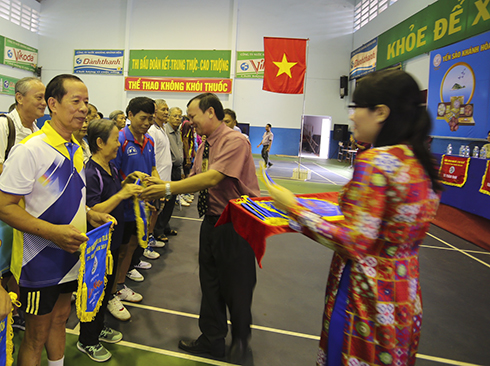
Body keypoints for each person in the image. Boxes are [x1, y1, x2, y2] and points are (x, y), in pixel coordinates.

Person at [267, 69, 442, 366]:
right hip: (403, 294)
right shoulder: (420, 163)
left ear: (381, 112)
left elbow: (353, 241)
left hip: (363, 296)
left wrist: (293, 207)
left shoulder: (376, 162)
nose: (351, 117)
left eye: (356, 108)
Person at [0, 74, 113, 366]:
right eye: (75, 101)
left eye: (86, 102)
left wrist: (90, 214)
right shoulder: (29, 150)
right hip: (37, 261)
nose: (83, 109)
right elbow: (4, 207)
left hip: (72, 254)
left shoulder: (76, 149)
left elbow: (65, 200)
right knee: (36, 334)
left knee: (62, 319)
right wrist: (53, 234)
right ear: (53, 103)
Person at [141, 93, 260, 364]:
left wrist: (167, 188)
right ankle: (212, 339)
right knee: (210, 284)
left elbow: (212, 177)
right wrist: (155, 184)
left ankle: (241, 342)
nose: (188, 121)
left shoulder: (235, 141)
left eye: (192, 116)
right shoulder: (205, 144)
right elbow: (194, 177)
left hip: (237, 225)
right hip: (212, 222)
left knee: (237, 287)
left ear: (210, 112)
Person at [77, 119, 144, 362]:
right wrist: (122, 193)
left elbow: (114, 194)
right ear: (99, 142)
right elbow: (94, 209)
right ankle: (87, 340)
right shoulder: (91, 172)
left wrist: (127, 183)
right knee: (93, 291)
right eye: (115, 140)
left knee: (106, 290)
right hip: (97, 246)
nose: (119, 144)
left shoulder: (111, 167)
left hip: (112, 243)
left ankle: (99, 327)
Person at [0, 77, 46, 331]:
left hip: (24, 211)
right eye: (38, 97)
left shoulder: (38, 132)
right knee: (2, 266)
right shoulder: (4, 125)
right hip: (5, 210)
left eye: (45, 97)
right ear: (19, 98)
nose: (43, 103)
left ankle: (15, 310)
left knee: (16, 264)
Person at [111, 96, 159, 311]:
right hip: (121, 207)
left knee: (130, 248)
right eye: (143, 118)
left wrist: (157, 188)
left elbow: (153, 168)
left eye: (150, 119)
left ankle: (120, 286)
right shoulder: (119, 139)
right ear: (130, 115)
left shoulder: (149, 141)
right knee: (117, 252)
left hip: (140, 207)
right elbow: (111, 177)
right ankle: (110, 293)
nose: (147, 123)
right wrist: (127, 187)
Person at [148, 99, 172, 244]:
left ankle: (151, 238)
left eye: (167, 109)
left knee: (158, 211)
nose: (166, 112)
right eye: (163, 109)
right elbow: (153, 158)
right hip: (158, 178)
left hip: (165, 178)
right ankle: (148, 241)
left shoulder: (161, 129)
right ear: (155, 111)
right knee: (153, 212)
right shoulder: (152, 131)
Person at [165, 106, 189, 208]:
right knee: (167, 200)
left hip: (177, 170)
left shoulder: (178, 131)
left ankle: (165, 222)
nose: (178, 118)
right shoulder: (165, 132)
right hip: (168, 170)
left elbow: (179, 152)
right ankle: (161, 224)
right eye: (175, 116)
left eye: (180, 116)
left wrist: (182, 172)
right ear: (168, 117)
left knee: (172, 200)